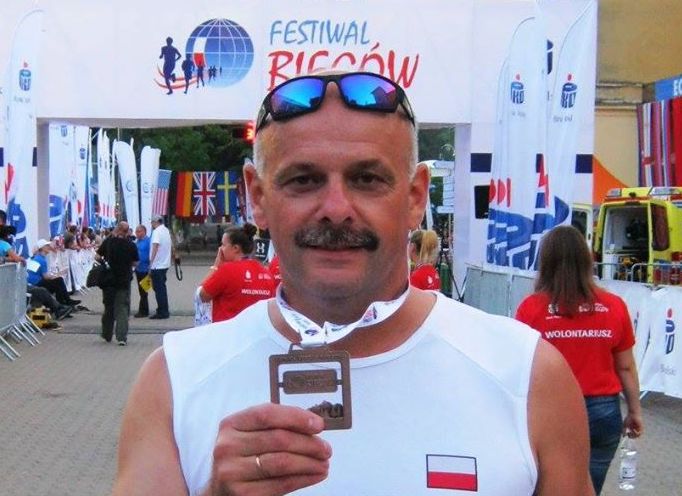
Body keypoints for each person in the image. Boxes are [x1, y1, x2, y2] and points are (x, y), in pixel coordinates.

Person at [113, 71, 594, 495]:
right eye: (303, 180)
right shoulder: (176, 380)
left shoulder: (527, 375)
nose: (336, 209)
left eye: (367, 179)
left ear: (415, 197)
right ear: (257, 197)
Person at [515, 225, 644, 494]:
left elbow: (519, 368)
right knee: (589, 488)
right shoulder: (614, 306)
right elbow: (625, 366)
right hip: (603, 412)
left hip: (550, 410)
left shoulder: (531, 308)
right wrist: (635, 411)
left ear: (546, 263)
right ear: (587, 261)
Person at [199, 223, 275, 322]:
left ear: (235, 248)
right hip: (255, 328)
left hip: (227, 329)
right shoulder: (266, 273)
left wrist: (215, 267)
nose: (220, 249)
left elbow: (202, 295)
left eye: (223, 245)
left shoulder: (226, 270)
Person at [96, 221, 139, 345]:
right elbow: (136, 262)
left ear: (117, 229)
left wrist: (105, 262)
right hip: (124, 281)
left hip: (108, 281)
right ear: (127, 231)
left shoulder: (108, 242)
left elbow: (97, 256)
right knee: (122, 309)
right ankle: (121, 337)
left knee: (108, 308)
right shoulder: (131, 245)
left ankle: (106, 334)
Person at [27, 239, 79, 306]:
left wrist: (55, 276)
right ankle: (65, 301)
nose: (49, 247)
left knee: (58, 281)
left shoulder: (36, 258)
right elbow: (45, 277)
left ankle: (64, 301)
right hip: (36, 284)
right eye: (47, 246)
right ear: (42, 248)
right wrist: (57, 275)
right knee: (59, 280)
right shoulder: (41, 260)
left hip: (33, 284)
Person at [149, 214, 172, 319]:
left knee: (158, 289)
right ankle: (164, 309)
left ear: (155, 222)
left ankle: (162, 311)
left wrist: (151, 263)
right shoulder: (166, 230)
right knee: (162, 288)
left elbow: (155, 246)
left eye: (152, 222)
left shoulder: (156, 232)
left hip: (157, 265)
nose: (151, 224)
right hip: (165, 263)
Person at [133, 224, 151, 318]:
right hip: (138, 269)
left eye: (139, 231)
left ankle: (144, 311)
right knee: (141, 291)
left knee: (144, 290)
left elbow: (150, 255)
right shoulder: (138, 242)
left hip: (146, 269)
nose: (137, 233)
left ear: (144, 232)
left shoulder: (148, 241)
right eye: (136, 231)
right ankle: (143, 309)